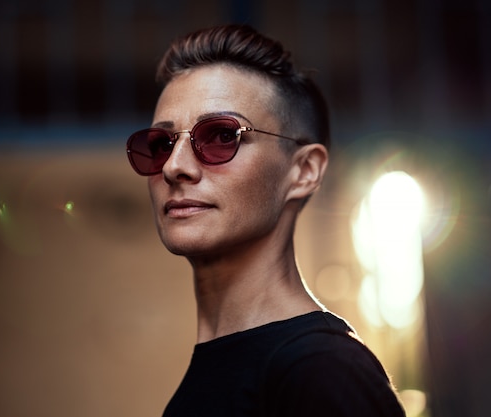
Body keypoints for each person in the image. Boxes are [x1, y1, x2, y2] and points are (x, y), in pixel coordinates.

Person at [126, 24, 405, 416]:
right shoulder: (236, 365)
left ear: (304, 170)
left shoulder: (320, 368)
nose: (174, 167)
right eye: (160, 144)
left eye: (222, 136)